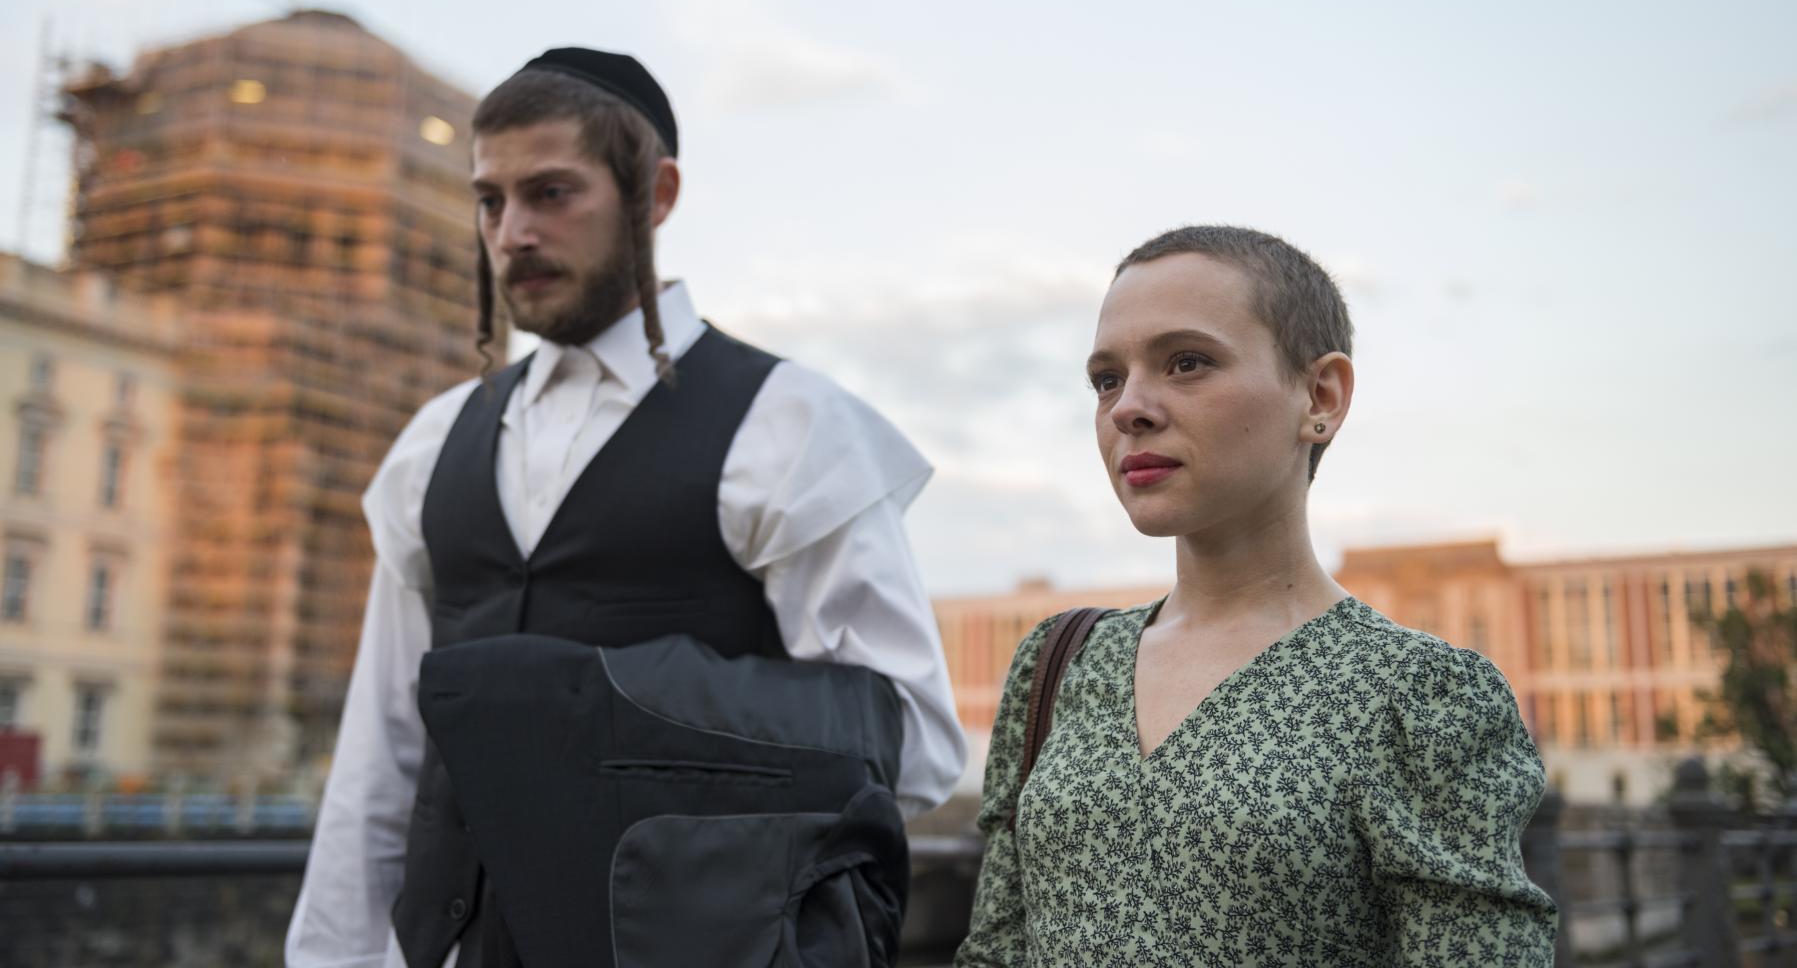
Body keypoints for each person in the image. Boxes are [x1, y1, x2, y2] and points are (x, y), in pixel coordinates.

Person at [285, 47, 966, 968]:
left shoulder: (789, 424)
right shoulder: (433, 442)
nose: (513, 232)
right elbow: (380, 754)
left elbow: (908, 740)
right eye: (490, 201)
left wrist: (602, 716)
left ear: (655, 194)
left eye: (551, 193)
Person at [956, 225, 1558, 967]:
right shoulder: (1059, 661)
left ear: (1320, 396)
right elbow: (995, 950)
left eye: (1186, 362)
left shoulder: (1421, 697)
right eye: (1107, 379)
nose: (1127, 408)